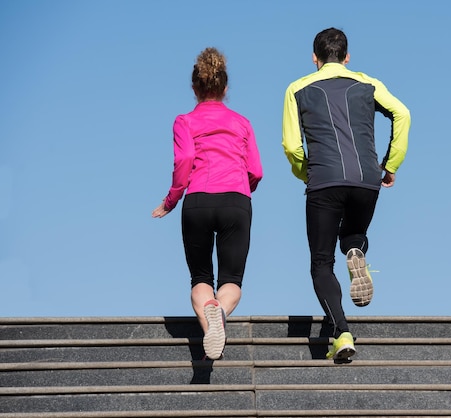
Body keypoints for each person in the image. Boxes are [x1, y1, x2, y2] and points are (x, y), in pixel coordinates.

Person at [282, 28, 410, 361]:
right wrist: (391, 163)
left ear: (315, 57)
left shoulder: (297, 89)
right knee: (353, 234)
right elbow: (403, 113)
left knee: (321, 263)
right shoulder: (369, 84)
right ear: (347, 56)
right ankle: (355, 250)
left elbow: (292, 146)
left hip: (324, 179)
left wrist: (305, 172)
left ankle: (342, 333)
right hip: (367, 179)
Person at [152, 47, 263, 360]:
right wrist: (241, 190)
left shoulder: (184, 121)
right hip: (236, 200)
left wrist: (172, 199)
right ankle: (220, 313)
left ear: (194, 88)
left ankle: (209, 321)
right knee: (232, 281)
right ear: (226, 89)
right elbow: (256, 170)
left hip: (198, 200)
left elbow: (185, 158)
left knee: (200, 279)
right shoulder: (242, 123)